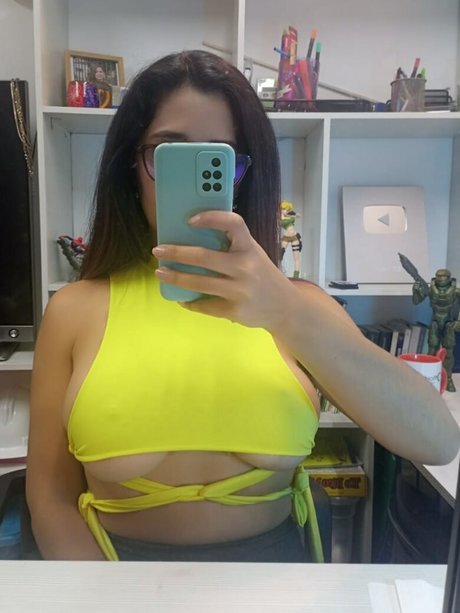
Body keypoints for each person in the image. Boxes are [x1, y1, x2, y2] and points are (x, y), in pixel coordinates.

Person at [26, 50, 460, 562]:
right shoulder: (74, 310)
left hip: (276, 579)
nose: (194, 176)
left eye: (219, 158)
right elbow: (50, 500)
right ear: (131, 166)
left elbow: (438, 441)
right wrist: (107, 595)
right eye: (168, 152)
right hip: (111, 575)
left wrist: (288, 313)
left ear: (244, 173)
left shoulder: (297, 306)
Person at [412, 268, 460, 392]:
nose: (441, 280)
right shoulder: (430, 290)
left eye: (443, 278)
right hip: (435, 322)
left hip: (449, 323)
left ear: (449, 279)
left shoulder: (456, 291)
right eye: (439, 277)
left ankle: (448, 378)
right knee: (432, 351)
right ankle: (430, 377)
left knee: (448, 352)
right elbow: (416, 301)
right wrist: (416, 291)